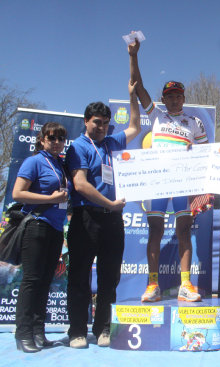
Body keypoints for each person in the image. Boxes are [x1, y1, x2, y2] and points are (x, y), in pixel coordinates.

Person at [128, 36, 208, 303]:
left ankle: (186, 285)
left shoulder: (195, 122)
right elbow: (138, 88)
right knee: (155, 232)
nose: (174, 100)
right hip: (158, 183)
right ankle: (153, 286)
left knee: (184, 231)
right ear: (164, 99)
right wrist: (133, 55)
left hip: (183, 182)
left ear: (184, 98)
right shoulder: (157, 116)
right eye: (169, 96)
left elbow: (205, 155)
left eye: (178, 96)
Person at [66, 81, 141, 348]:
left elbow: (135, 127)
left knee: (110, 277)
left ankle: (103, 329)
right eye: (97, 122)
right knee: (79, 275)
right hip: (86, 218)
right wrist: (109, 204)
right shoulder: (78, 147)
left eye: (106, 123)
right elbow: (81, 185)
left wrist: (132, 97)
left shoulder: (111, 142)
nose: (102, 127)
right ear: (86, 122)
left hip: (112, 221)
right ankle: (76, 330)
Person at [12, 123, 69, 353]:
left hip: (55, 229)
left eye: (61, 138)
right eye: (52, 137)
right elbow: (17, 193)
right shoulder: (34, 161)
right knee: (32, 281)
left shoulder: (60, 165)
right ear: (42, 139)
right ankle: (23, 333)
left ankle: (38, 331)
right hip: (36, 225)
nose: (56, 142)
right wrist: (49, 199)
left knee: (46, 281)